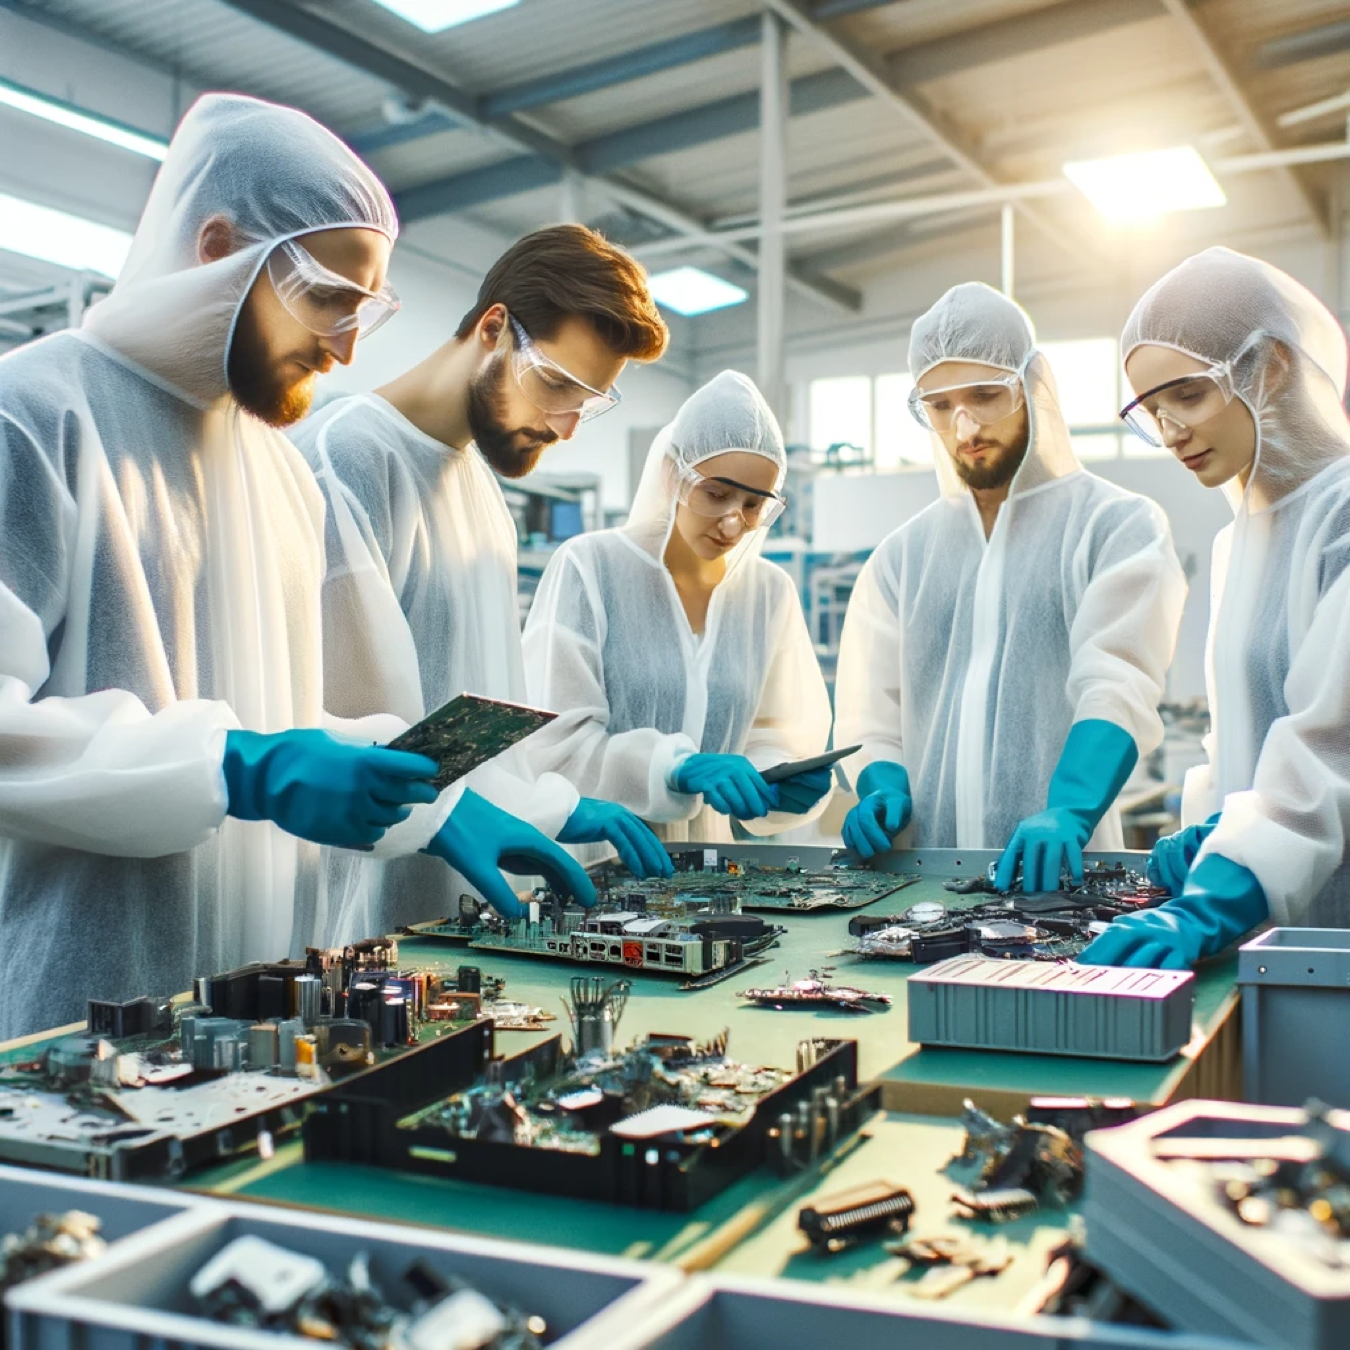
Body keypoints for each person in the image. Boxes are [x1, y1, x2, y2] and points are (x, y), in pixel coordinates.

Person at [0, 94, 588, 1039]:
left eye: (367, 309)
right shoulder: (37, 413)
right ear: (217, 245)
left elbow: (281, 724)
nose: (349, 345)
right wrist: (235, 766)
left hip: (258, 994)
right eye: (328, 299)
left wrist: (435, 808)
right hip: (67, 1007)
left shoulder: (274, 468)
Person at [293, 225, 674, 941]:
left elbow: (473, 726)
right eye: (556, 383)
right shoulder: (344, 460)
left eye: (587, 403)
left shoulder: (482, 496)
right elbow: (344, 724)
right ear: (494, 328)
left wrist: (551, 805)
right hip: (348, 914)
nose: (565, 427)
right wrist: (448, 814)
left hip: (452, 911)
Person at [834, 283, 1186, 890]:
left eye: (985, 396)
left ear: (1032, 389)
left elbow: (1118, 682)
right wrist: (881, 780)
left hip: (1062, 879)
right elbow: (872, 714)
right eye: (940, 405)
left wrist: (1070, 808)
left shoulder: (1113, 526)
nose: (964, 426)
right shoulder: (902, 557)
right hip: (924, 884)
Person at [1081, 248, 1350, 969]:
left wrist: (1214, 899)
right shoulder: (1241, 543)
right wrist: (1212, 825)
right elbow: (1241, 734)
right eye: (1153, 411)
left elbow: (1334, 745)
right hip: (1262, 939)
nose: (1171, 434)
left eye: (1188, 397)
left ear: (1271, 367)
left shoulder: (1344, 515)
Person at [521, 370, 833, 843]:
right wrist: (673, 768)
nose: (732, 524)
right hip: (599, 857)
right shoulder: (591, 567)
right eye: (717, 493)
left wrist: (776, 775)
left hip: (710, 872)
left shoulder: (768, 593)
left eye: (753, 505)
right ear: (672, 473)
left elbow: (773, 732)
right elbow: (554, 747)